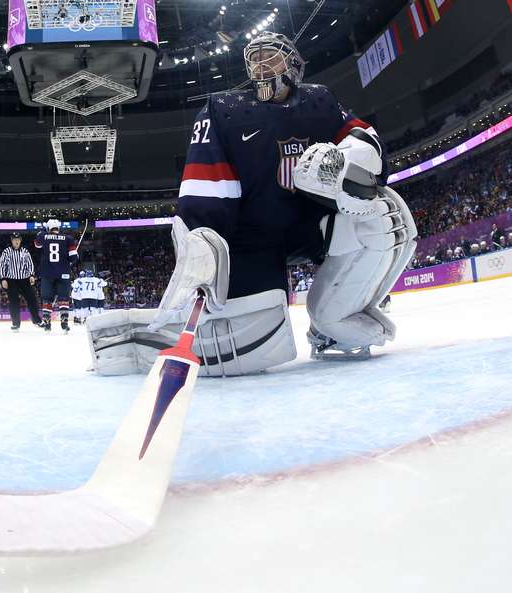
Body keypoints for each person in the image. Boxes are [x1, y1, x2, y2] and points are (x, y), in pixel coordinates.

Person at [86, 31, 416, 376]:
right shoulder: (225, 111)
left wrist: (342, 161)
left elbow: (366, 142)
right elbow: (206, 185)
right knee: (252, 345)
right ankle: (128, 341)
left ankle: (334, 326)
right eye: (254, 58)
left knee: (382, 215)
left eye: (269, 55)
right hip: (252, 236)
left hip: (314, 224)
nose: (260, 64)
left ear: (294, 63)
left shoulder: (321, 101)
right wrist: (201, 238)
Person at [34, 219, 78, 333]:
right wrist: (69, 260)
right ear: (58, 228)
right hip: (63, 273)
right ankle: (64, 324)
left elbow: (37, 245)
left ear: (48, 228)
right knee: (64, 299)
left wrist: (42, 232)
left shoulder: (43, 236)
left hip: (47, 273)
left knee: (47, 299)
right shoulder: (68, 238)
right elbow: (74, 258)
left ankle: (47, 324)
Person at [0, 232, 43, 331]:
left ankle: (37, 321)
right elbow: (2, 265)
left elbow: (30, 264)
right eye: (14, 239)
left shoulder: (25, 251)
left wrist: (31, 275)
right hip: (11, 280)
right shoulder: (7, 251)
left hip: (25, 280)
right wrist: (3, 278)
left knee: (32, 300)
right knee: (14, 302)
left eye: (18, 239)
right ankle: (16, 324)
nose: (16, 241)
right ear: (11, 240)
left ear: (20, 240)